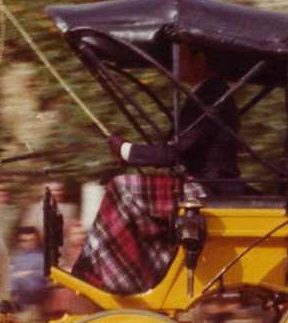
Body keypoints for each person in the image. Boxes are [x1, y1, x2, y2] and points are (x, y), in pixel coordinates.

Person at [70, 43, 241, 294]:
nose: (175, 65)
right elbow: (178, 149)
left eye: (181, 57)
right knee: (132, 193)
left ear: (200, 58)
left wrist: (127, 150)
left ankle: (103, 272)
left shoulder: (212, 95)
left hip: (205, 190)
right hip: (203, 185)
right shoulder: (208, 93)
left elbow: (175, 151)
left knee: (123, 188)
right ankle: (133, 270)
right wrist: (128, 152)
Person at [9, 226, 51, 318]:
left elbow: (44, 276)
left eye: (31, 240)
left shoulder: (42, 258)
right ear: (19, 242)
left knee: (16, 280)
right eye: (24, 241)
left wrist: (25, 275)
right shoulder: (16, 258)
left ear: (37, 240)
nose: (28, 243)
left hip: (33, 299)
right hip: (17, 302)